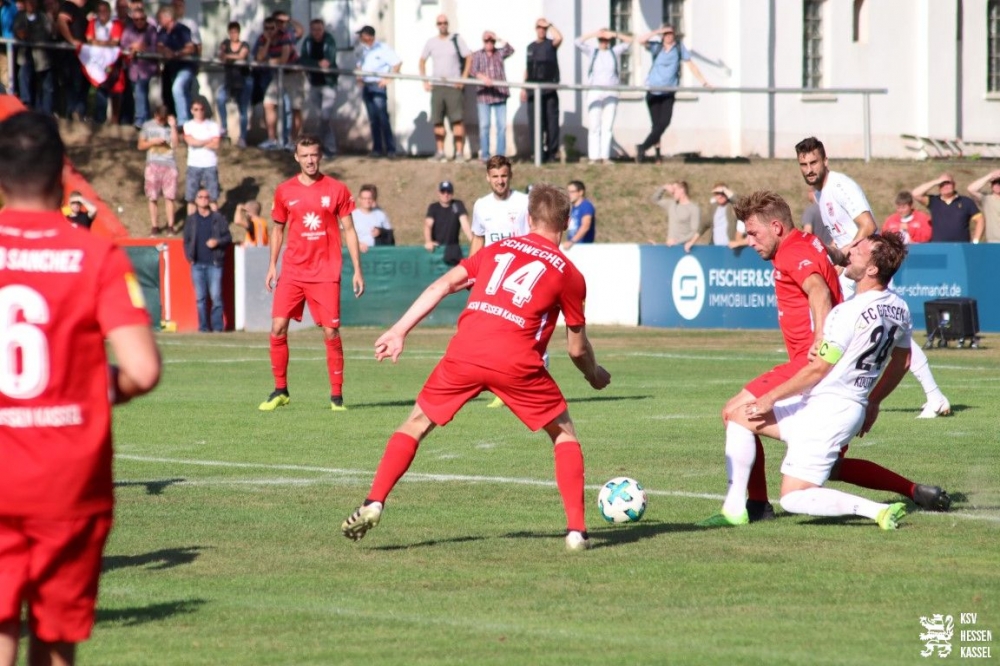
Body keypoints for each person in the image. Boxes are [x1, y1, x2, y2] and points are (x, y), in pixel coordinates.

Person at [340, 184, 611, 552]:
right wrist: (594, 375)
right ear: (565, 222)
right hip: (516, 360)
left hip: (466, 351)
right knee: (563, 434)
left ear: (527, 218)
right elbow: (577, 349)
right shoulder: (569, 274)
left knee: (416, 422)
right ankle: (576, 532)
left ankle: (374, 500)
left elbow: (442, 284)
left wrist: (399, 330)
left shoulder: (496, 250)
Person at [0, 110, 160, 666]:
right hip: (68, 479)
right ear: (62, 175)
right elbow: (142, 370)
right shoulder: (94, 255)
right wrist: (85, 388)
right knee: (54, 640)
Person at [710, 190, 950, 524]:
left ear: (872, 269)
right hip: (852, 403)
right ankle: (912, 490)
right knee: (818, 459)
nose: (852, 249)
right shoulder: (900, 308)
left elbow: (819, 352)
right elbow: (903, 362)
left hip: (824, 396)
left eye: (860, 249)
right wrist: (875, 402)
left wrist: (815, 340)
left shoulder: (845, 312)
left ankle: (751, 508)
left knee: (789, 489)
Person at [796, 137, 950, 419]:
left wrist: (844, 256)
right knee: (834, 325)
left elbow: (868, 225)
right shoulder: (821, 193)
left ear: (825, 161)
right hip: (851, 269)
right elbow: (845, 231)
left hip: (864, 269)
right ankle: (934, 396)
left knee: (888, 333)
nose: (809, 168)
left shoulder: (839, 186)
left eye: (814, 162)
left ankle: (934, 395)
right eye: (803, 164)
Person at [259, 136, 365, 412]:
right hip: (293, 271)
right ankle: (280, 390)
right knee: (277, 327)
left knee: (330, 331)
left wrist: (357, 269)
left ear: (320, 156)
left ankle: (336, 396)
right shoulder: (284, 191)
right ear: (296, 157)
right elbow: (278, 229)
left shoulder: (337, 189)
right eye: (304, 155)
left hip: (325, 272)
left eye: (314, 155)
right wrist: (272, 265)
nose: (309, 160)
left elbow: (350, 230)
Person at [634, 24, 709, 163]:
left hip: (668, 92)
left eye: (671, 34)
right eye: (666, 34)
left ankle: (642, 147)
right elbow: (640, 40)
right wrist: (657, 31)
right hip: (653, 92)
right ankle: (657, 155)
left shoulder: (679, 48)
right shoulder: (657, 47)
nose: (669, 36)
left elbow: (691, 65)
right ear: (663, 35)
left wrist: (704, 82)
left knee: (664, 123)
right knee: (656, 126)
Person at [419, 14, 472, 162]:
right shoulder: (431, 42)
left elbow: (469, 57)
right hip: (437, 87)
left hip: (453, 87)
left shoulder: (456, 39)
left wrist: (463, 79)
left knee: (457, 120)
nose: (442, 25)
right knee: (437, 121)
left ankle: (459, 153)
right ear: (436, 25)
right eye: (439, 23)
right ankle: (440, 152)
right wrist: (425, 81)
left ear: (448, 24)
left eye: (444, 22)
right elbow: (422, 60)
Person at [575, 28, 631, 164]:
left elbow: (630, 41)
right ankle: (594, 156)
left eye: (606, 40)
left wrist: (615, 34)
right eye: (601, 40)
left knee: (607, 125)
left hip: (611, 92)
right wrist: (595, 33)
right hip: (595, 91)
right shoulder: (593, 52)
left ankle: (605, 156)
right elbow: (577, 42)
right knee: (594, 125)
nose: (604, 42)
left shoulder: (614, 52)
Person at [183, 188, 231, 332]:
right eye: (200, 197)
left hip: (214, 264)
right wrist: (189, 257)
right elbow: (186, 240)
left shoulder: (218, 218)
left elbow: (228, 238)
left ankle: (217, 328)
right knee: (200, 299)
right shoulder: (191, 220)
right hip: (197, 264)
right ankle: (203, 328)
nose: (203, 199)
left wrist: (217, 242)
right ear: (196, 200)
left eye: (206, 197)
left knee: (216, 297)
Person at [355, 25, 401, 158]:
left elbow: (397, 63)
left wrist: (387, 79)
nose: (360, 38)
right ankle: (377, 149)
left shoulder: (383, 48)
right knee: (373, 119)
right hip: (367, 85)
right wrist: (359, 78)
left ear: (368, 36)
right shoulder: (362, 49)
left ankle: (391, 149)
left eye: (362, 35)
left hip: (377, 85)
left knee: (382, 118)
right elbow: (359, 64)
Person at [520, 17, 562, 163]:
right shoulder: (530, 47)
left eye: (544, 28)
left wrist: (550, 24)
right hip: (533, 90)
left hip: (549, 89)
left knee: (551, 123)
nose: (541, 30)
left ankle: (552, 153)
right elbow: (528, 68)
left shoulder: (551, 44)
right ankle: (537, 154)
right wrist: (524, 88)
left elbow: (559, 37)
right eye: (539, 27)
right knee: (535, 124)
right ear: (535, 29)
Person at [468, 30, 514, 162]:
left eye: (491, 41)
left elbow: (510, 49)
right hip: (484, 96)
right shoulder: (477, 55)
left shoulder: (499, 53)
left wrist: (498, 38)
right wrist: (482, 77)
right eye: (487, 40)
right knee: (484, 126)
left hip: (500, 94)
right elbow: (472, 69)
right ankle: (485, 156)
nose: (489, 43)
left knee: (501, 126)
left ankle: (500, 156)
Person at [470, 155, 529, 256]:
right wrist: (469, 270)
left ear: (510, 175)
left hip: (519, 265)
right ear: (488, 177)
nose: (500, 181)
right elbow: (478, 239)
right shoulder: (481, 205)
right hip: (493, 267)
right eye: (495, 177)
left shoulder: (525, 202)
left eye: (504, 176)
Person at [299, 19, 339, 159]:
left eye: (319, 29)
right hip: (314, 83)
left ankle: (320, 147)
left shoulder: (329, 40)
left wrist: (319, 64)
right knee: (322, 119)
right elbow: (303, 60)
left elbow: (328, 61)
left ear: (323, 29)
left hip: (328, 84)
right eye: (314, 29)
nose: (317, 32)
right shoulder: (308, 42)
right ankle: (330, 148)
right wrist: (316, 63)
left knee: (325, 117)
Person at [254, 16, 296, 150]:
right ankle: (273, 139)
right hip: (278, 75)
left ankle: (291, 141)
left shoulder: (285, 36)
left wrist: (269, 62)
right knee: (269, 103)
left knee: (292, 108)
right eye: (266, 28)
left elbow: (284, 59)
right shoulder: (263, 38)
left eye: (272, 28)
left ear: (277, 27)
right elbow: (260, 58)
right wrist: (267, 41)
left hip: (293, 74)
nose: (270, 31)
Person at [137, 105, 179, 235]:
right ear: (155, 115)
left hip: (169, 164)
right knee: (152, 197)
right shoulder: (148, 125)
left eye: (163, 119)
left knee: (169, 197)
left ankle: (170, 226)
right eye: (159, 119)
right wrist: (153, 142)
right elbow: (140, 145)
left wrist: (173, 127)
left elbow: (175, 145)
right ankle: (154, 226)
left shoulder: (169, 126)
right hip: (153, 164)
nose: (161, 122)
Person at [911, 173, 984, 243]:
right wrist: (936, 181)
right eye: (942, 184)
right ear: (939, 187)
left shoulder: (966, 201)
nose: (945, 186)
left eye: (948, 183)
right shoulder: (933, 201)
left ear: (954, 185)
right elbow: (915, 193)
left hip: (961, 247)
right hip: (939, 247)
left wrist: (976, 241)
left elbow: (980, 220)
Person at [85, 0, 124, 125]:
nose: (102, 14)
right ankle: (99, 119)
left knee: (116, 90)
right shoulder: (92, 23)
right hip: (97, 63)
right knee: (99, 87)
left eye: (105, 11)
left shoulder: (116, 24)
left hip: (113, 62)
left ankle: (115, 120)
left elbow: (115, 41)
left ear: (109, 12)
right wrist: (105, 43)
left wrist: (99, 43)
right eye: (100, 11)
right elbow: (89, 39)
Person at [13, 0, 55, 115]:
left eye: (33, 2)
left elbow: (46, 34)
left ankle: (45, 112)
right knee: (23, 77)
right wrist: (28, 35)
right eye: (28, 2)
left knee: (45, 86)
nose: (30, 5)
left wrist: (29, 35)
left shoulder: (43, 17)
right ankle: (25, 106)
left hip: (41, 57)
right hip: (25, 56)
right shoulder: (20, 16)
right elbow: (18, 32)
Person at [155, 6, 195, 125]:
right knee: (170, 93)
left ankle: (183, 123)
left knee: (178, 89)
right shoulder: (162, 31)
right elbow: (159, 45)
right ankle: (176, 119)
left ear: (168, 18)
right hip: (170, 68)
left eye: (160, 18)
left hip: (184, 67)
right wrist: (165, 50)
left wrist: (177, 53)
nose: (159, 20)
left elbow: (190, 47)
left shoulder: (182, 30)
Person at [119, 3, 157, 128]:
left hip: (147, 68)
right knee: (137, 94)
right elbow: (123, 44)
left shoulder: (151, 29)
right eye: (136, 19)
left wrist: (142, 48)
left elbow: (156, 48)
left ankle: (141, 120)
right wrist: (132, 47)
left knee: (141, 91)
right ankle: (143, 119)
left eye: (142, 19)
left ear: (146, 18)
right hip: (133, 68)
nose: (139, 22)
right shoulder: (129, 29)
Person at [215, 21, 252, 147]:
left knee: (243, 109)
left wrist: (228, 56)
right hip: (230, 81)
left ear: (239, 32)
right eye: (231, 32)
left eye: (235, 32)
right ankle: (224, 129)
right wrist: (225, 55)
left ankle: (242, 138)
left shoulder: (244, 44)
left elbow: (242, 55)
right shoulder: (225, 43)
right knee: (220, 99)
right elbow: (221, 55)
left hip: (244, 81)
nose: (233, 34)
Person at [182, 99, 222, 216]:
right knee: (191, 198)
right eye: (196, 109)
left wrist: (198, 142)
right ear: (191, 111)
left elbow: (216, 144)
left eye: (201, 109)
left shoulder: (213, 125)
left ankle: (216, 225)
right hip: (194, 165)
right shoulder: (188, 125)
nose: (199, 112)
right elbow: (191, 142)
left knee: (213, 198)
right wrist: (208, 140)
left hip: (210, 164)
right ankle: (192, 225)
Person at [424, 180, 471, 266]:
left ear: (452, 193)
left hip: (453, 248)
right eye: (443, 191)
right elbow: (428, 225)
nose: (446, 194)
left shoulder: (457, 205)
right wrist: (428, 241)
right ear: (438, 193)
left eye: (448, 192)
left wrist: (473, 241)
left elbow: (465, 224)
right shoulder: (433, 207)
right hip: (437, 249)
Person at [55, 0, 89, 120]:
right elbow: (61, 21)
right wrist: (72, 40)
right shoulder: (68, 6)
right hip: (71, 56)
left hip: (82, 57)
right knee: (73, 86)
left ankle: (80, 115)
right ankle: (72, 115)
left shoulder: (82, 10)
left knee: (82, 86)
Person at [690, 183, 743, 251]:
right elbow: (703, 225)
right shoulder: (713, 208)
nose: (720, 196)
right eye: (717, 193)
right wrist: (692, 242)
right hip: (715, 248)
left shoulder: (732, 206)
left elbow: (742, 202)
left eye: (722, 193)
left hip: (731, 248)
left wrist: (725, 190)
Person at [650, 180, 700, 247]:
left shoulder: (694, 208)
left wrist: (677, 242)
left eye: (674, 190)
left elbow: (694, 232)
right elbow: (655, 199)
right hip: (670, 247)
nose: (672, 192)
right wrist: (664, 188)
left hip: (683, 248)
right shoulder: (671, 204)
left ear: (682, 190)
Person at [351, 183, 393, 252]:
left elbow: (390, 235)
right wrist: (357, 244)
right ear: (359, 199)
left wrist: (380, 232)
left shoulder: (381, 214)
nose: (367, 201)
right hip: (358, 253)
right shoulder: (352, 215)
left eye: (369, 198)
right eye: (364, 198)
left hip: (377, 254)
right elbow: (344, 234)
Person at [967, 169, 1000, 243]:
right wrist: (990, 175)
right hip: (993, 242)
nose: (998, 185)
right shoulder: (987, 199)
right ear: (990, 185)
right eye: (995, 183)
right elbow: (971, 189)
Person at [563, 180, 595, 249]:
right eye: (568, 192)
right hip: (573, 246)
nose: (569, 194)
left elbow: (585, 226)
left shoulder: (586, 206)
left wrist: (572, 241)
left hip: (582, 246)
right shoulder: (573, 208)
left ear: (580, 192)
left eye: (572, 192)